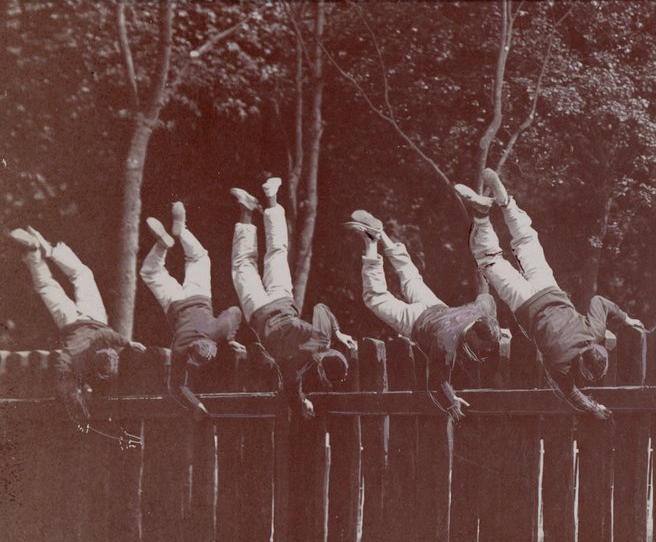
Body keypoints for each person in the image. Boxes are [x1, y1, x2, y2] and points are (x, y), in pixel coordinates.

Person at [459, 169, 644, 420]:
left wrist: (625, 318)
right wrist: (593, 407)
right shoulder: (560, 365)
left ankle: (505, 202)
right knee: (489, 260)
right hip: (524, 303)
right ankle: (482, 217)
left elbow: (599, 301)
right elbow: (570, 393)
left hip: (549, 288)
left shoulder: (594, 333)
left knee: (526, 240)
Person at [347, 209, 508, 420]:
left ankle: (382, 234)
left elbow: (487, 298)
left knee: (411, 277)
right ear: (474, 334)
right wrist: (451, 401)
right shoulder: (446, 343)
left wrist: (499, 330)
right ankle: (371, 243)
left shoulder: (481, 311)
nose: (483, 350)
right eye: (481, 345)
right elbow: (438, 379)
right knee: (376, 298)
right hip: (416, 320)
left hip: (436, 308)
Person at [229, 176, 354, 418]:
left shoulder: (321, 339)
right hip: (260, 311)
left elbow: (321, 308)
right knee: (243, 263)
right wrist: (302, 403)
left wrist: (338, 332)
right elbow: (291, 385)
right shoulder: (299, 364)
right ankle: (246, 209)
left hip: (283, 300)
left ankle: (271, 199)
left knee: (276, 253)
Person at [9, 226, 145, 434]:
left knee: (83, 275)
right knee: (46, 286)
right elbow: (64, 372)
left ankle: (48, 250)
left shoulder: (102, 342)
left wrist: (128, 343)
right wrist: (78, 403)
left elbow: (108, 336)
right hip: (71, 321)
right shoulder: (77, 358)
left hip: (94, 317)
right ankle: (35, 253)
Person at [140, 201, 245, 420]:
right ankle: (161, 245)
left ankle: (181, 231)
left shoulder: (218, 331)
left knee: (199, 257)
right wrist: (194, 404)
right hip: (175, 305)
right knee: (151, 273)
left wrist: (229, 335)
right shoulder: (179, 349)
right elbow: (175, 386)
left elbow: (235, 310)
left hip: (199, 296)